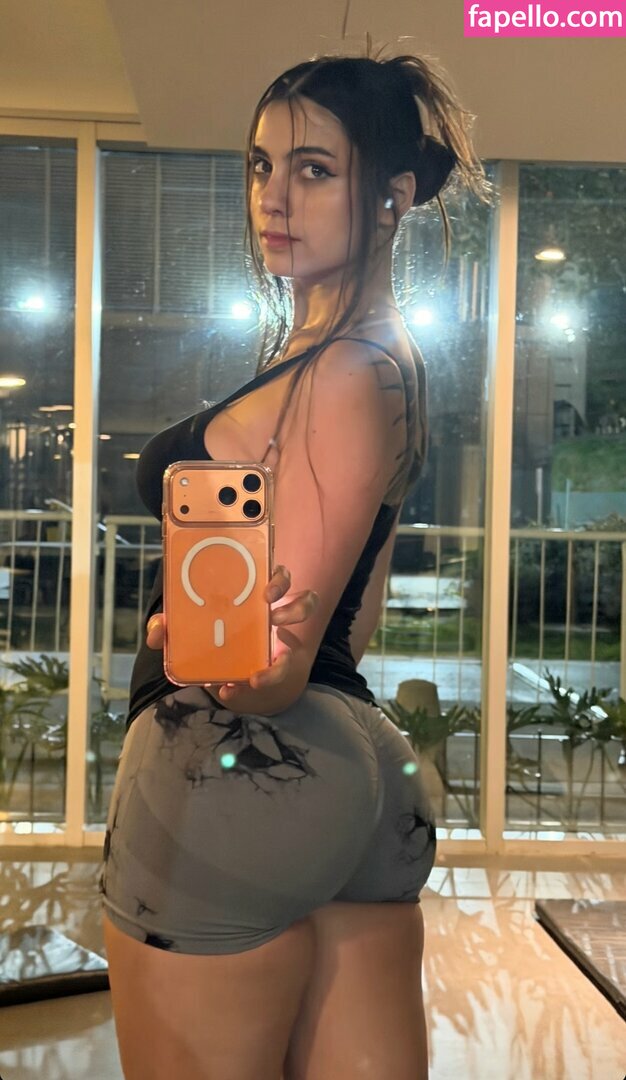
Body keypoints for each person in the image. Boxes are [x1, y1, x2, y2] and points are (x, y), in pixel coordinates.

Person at [99, 48, 489, 1080]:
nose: (272, 198)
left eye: (314, 170)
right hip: (365, 775)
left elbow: (272, 672)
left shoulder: (343, 369)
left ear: (392, 197)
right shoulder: (381, 358)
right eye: (261, 166)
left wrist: (200, 648)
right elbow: (356, 618)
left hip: (238, 771)